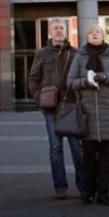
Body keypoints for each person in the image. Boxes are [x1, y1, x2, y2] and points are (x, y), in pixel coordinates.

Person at [67, 24, 109, 206]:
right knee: (88, 156)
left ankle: (104, 194)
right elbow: (70, 82)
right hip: (87, 113)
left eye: (98, 32)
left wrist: (106, 77)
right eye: (91, 33)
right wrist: (85, 82)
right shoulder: (79, 56)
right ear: (87, 37)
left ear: (103, 36)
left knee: (105, 157)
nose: (95, 34)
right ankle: (88, 192)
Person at [27, 17, 87, 200]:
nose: (59, 31)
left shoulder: (76, 53)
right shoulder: (42, 54)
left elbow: (82, 77)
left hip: (70, 106)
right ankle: (60, 186)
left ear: (66, 32)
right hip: (51, 108)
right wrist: (40, 99)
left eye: (62, 28)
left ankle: (84, 185)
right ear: (50, 33)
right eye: (56, 28)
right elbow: (33, 79)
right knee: (55, 148)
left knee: (77, 147)